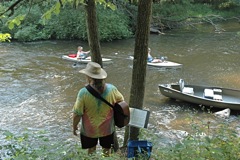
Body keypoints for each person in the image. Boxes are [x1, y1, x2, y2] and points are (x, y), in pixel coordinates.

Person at [72, 62, 124, 157]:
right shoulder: (112, 89)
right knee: (106, 151)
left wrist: (74, 127)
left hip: (89, 131)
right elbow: (121, 101)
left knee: (91, 151)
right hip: (107, 129)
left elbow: (77, 113)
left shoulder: (83, 93)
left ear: (89, 78)